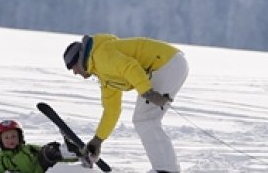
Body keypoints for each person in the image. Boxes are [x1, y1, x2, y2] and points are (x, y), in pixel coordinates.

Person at [63, 34, 189, 173]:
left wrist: (147, 92)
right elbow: (112, 110)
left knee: (145, 119)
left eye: (72, 67)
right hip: (171, 63)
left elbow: (130, 67)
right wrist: (98, 140)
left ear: (79, 59)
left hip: (166, 63)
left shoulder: (101, 56)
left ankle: (166, 169)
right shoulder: (103, 72)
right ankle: (167, 168)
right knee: (145, 119)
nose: (74, 72)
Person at [0, 119, 79, 173]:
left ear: (20, 137)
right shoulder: (3, 159)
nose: (11, 140)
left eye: (14, 136)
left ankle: (71, 152)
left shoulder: (28, 148)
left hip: (42, 168)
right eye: (6, 138)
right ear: (0, 141)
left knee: (48, 151)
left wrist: (77, 158)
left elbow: (44, 151)